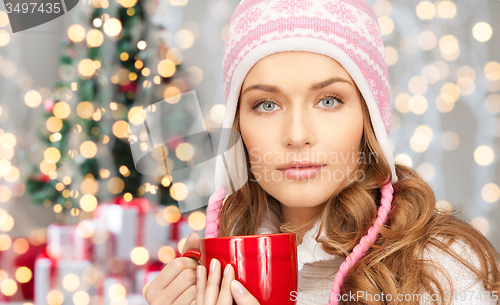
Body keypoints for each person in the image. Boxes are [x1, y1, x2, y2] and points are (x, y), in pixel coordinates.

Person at [145, 0, 500, 304]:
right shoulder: (220, 270)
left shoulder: (441, 268)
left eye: (328, 100)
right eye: (267, 104)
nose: (297, 136)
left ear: (369, 116)